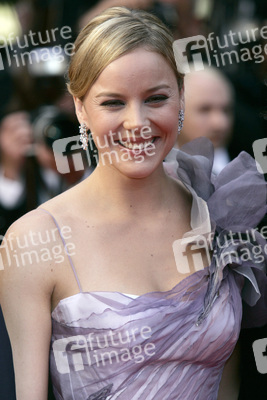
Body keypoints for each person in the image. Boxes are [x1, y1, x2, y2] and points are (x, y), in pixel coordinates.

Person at [0, 6, 266, 400]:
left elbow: (230, 378)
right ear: (79, 107)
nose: (136, 122)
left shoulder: (217, 210)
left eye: (156, 97)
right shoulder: (35, 240)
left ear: (180, 96)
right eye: (112, 103)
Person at [176, 65, 234, 175]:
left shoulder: (256, 166)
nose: (220, 123)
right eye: (205, 110)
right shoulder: (153, 169)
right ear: (178, 111)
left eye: (226, 110)